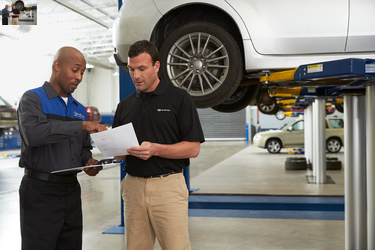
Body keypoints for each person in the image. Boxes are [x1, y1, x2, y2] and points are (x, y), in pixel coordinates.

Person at [113, 40, 205, 250]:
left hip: (168, 187)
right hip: (133, 187)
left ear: (156, 66)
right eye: (131, 69)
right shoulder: (125, 106)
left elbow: (193, 148)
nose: (136, 75)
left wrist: (156, 149)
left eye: (142, 69)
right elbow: (119, 155)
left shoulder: (179, 99)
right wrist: (110, 148)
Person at [17, 46, 107, 250]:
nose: (79, 77)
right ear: (57, 66)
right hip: (40, 191)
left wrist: (88, 162)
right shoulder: (33, 99)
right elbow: (35, 134)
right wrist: (82, 125)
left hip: (71, 191)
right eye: (75, 70)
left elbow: (84, 148)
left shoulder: (79, 109)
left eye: (83, 72)